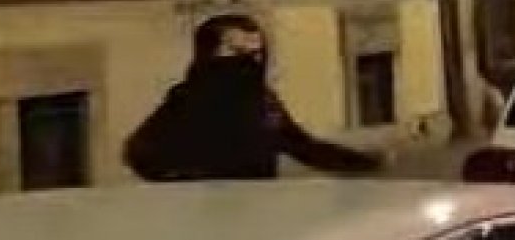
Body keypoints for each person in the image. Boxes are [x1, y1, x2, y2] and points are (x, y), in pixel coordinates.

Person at [124, 14, 383, 181]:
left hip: (256, 214)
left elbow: (302, 146)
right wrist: (188, 184)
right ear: (209, 55)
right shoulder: (188, 100)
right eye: (237, 52)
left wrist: (363, 163)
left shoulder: (263, 103)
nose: (250, 62)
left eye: (257, 54)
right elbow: (140, 153)